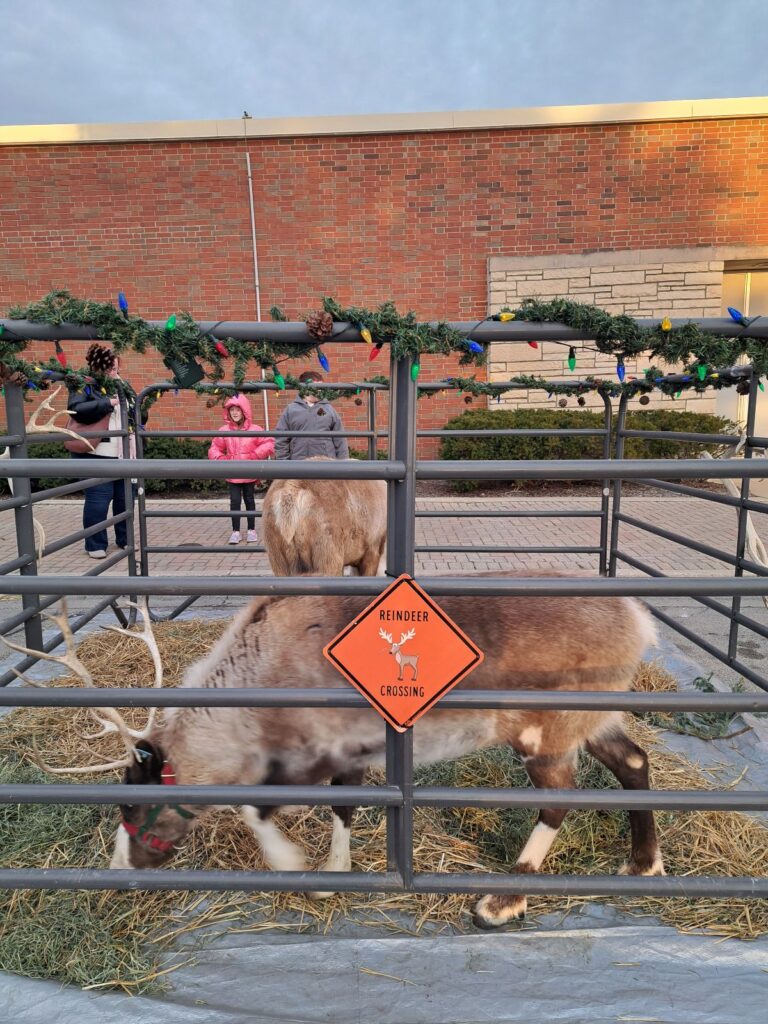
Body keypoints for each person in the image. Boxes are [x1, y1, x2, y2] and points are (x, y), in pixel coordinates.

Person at [66, 343, 138, 559]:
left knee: (125, 500)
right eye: (109, 368)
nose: (113, 372)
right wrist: (109, 402)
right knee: (98, 501)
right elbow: (77, 410)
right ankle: (95, 543)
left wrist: (130, 403)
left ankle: (125, 539)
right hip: (95, 455)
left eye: (116, 368)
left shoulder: (124, 386)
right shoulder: (85, 385)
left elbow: (141, 416)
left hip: (124, 455)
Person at [208, 393, 274, 545]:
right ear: (228, 413)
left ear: (245, 411)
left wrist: (255, 455)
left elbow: (269, 443)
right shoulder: (224, 431)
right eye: (232, 410)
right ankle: (235, 531)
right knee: (235, 501)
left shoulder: (255, 429)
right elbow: (215, 448)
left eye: (238, 410)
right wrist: (222, 460)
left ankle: (251, 530)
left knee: (250, 500)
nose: (235, 413)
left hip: (249, 472)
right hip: (233, 473)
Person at [274, 371, 349, 460]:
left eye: (321, 387)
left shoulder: (328, 409)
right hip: (299, 463)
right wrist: (283, 462)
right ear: (304, 387)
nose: (319, 390)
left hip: (326, 463)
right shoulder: (291, 410)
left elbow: (340, 439)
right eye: (315, 387)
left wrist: (343, 462)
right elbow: (281, 439)